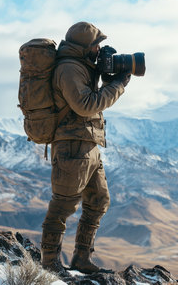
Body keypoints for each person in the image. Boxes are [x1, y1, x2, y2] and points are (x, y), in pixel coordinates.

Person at [40, 21, 131, 276]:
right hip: (72, 146)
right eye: (95, 45)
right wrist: (117, 86)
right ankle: (49, 263)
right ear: (83, 46)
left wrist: (104, 75)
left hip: (87, 145)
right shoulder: (69, 68)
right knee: (63, 205)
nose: (99, 49)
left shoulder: (81, 66)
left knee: (99, 200)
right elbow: (85, 105)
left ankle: (81, 257)